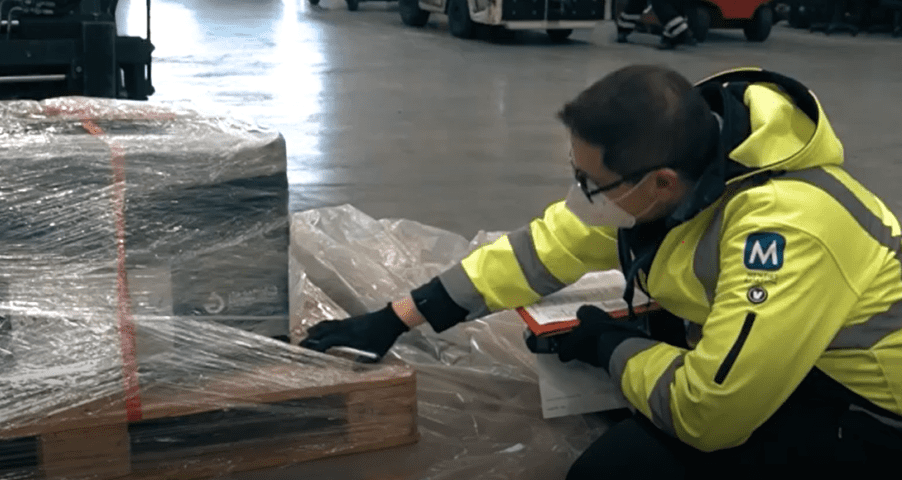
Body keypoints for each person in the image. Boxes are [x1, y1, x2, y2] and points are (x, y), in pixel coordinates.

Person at [302, 65, 902, 477]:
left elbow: (709, 414)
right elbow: (545, 249)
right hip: (793, 357)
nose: (579, 195)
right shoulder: (689, 165)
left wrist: (613, 348)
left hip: (865, 412)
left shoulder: (787, 230)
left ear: (661, 183)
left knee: (612, 470)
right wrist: (401, 315)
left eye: (591, 182)